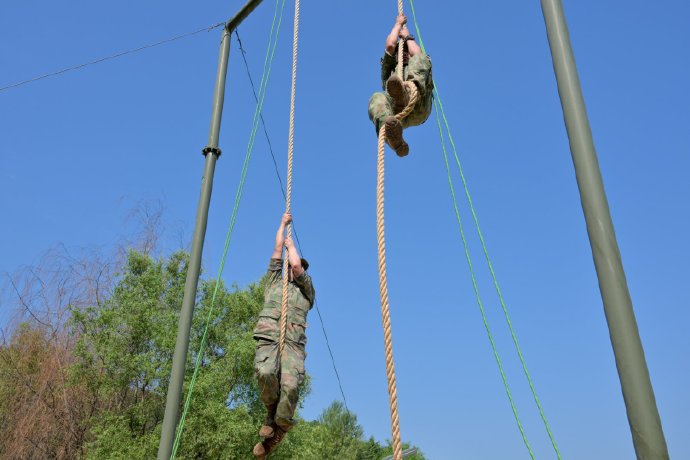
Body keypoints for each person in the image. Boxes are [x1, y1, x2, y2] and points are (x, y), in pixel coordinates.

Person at [252, 212, 315, 459]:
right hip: (269, 339)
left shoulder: (307, 293)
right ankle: (270, 414)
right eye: (289, 265)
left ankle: (280, 427)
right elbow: (277, 248)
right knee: (266, 373)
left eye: (297, 267)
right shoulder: (273, 281)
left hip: (292, 347)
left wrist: (292, 246)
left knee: (290, 387)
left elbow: (298, 265)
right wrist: (282, 225)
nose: (294, 268)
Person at [368, 13, 434, 157]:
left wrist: (407, 37)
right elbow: (390, 44)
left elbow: (418, 54)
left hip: (418, 105)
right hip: (398, 115)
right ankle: (393, 136)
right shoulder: (390, 67)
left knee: (419, 61)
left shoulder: (415, 60)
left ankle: (406, 94)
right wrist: (398, 24)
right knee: (376, 99)